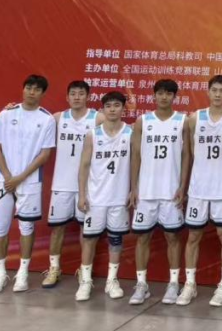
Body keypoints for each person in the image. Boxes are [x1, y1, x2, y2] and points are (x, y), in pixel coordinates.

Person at [177, 75, 222, 307]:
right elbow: (191, 151)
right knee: (193, 237)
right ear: (208, 91)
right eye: (214, 90)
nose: (218, 94)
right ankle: (190, 284)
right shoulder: (195, 118)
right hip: (198, 188)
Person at [0, 74, 56, 294]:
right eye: (28, 87)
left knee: (27, 228)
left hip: (30, 182)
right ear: (23, 89)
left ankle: (23, 273)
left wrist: (20, 177)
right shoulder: (5, 115)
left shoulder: (47, 119)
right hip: (3, 181)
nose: (32, 92)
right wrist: (8, 176)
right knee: (1, 227)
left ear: (43, 93)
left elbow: (44, 155)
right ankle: (0, 274)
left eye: (37, 89)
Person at [128, 79, 188, 305]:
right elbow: (135, 156)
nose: (164, 97)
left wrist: (182, 186)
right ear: (154, 95)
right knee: (142, 237)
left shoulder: (182, 121)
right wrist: (134, 188)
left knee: (173, 237)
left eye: (168, 93)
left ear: (175, 97)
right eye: (160, 93)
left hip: (171, 191)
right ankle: (141, 284)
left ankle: (173, 284)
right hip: (146, 191)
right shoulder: (142, 121)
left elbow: (186, 156)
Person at [76, 90, 132, 301]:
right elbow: (84, 166)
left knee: (115, 240)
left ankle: (112, 280)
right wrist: (82, 195)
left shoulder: (130, 133)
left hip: (119, 197)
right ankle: (85, 281)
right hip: (96, 198)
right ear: (103, 109)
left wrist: (133, 190)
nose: (112, 110)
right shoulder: (93, 134)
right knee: (89, 239)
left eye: (116, 105)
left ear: (123, 109)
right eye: (108, 106)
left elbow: (137, 164)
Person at [43, 80, 97, 289]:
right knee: (58, 229)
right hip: (61, 184)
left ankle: (85, 271)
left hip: (87, 186)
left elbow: (120, 127)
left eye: (81, 93)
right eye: (73, 93)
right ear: (67, 97)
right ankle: (54, 269)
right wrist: (12, 109)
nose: (77, 97)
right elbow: (33, 118)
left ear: (88, 97)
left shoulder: (97, 118)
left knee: (86, 230)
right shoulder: (57, 118)